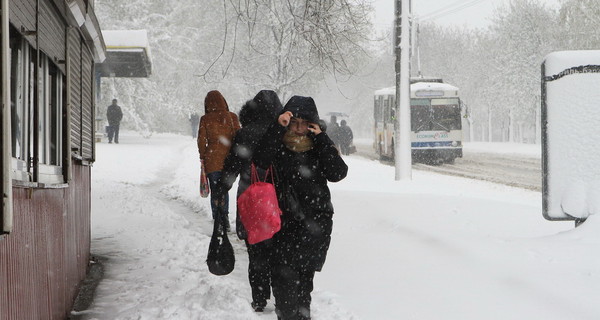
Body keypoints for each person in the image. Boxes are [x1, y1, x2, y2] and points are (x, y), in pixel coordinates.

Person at [253, 96, 348, 320]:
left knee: (304, 288)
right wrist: (279, 126)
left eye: (304, 123)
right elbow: (260, 158)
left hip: (314, 226)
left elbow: (338, 173)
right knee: (284, 288)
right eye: (293, 122)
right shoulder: (277, 144)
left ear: (312, 124)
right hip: (282, 224)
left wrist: (322, 139)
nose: (298, 128)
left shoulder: (318, 147)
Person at [213, 90, 283, 312]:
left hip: (249, 198)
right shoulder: (281, 133)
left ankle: (259, 297)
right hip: (276, 201)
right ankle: (280, 296)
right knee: (277, 250)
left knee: (255, 250)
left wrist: (222, 189)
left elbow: (232, 166)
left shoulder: (244, 134)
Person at [197, 90, 241, 231]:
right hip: (229, 160)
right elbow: (239, 136)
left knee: (215, 189)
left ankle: (218, 219)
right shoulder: (232, 117)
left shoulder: (205, 119)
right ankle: (225, 217)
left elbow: (201, 140)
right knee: (224, 189)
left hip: (212, 160)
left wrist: (203, 155)